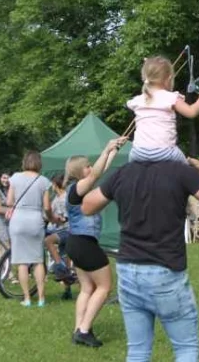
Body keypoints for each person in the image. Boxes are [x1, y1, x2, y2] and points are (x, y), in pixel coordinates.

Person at [81, 157, 199, 362]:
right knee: (186, 348)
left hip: (129, 269)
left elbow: (87, 206)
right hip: (165, 270)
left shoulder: (125, 172)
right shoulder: (179, 171)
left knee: (138, 351)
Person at [64, 138, 125, 349]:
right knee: (105, 286)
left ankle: (78, 329)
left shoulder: (78, 188)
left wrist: (113, 151)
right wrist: (106, 148)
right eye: (87, 166)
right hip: (84, 243)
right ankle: (84, 330)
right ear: (80, 171)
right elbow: (97, 173)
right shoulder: (77, 189)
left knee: (87, 288)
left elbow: (101, 170)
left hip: (75, 243)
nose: (91, 168)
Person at [126, 55, 199, 164]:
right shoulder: (171, 98)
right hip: (164, 151)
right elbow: (191, 112)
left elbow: (132, 104)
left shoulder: (138, 100)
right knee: (186, 168)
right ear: (169, 78)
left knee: (129, 167)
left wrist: (150, 67)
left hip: (138, 152)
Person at [5, 151, 53, 307]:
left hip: (18, 220)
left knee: (22, 262)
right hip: (35, 220)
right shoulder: (44, 181)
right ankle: (41, 298)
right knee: (38, 260)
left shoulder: (15, 178)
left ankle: (27, 298)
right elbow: (47, 207)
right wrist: (52, 218)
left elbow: (10, 201)